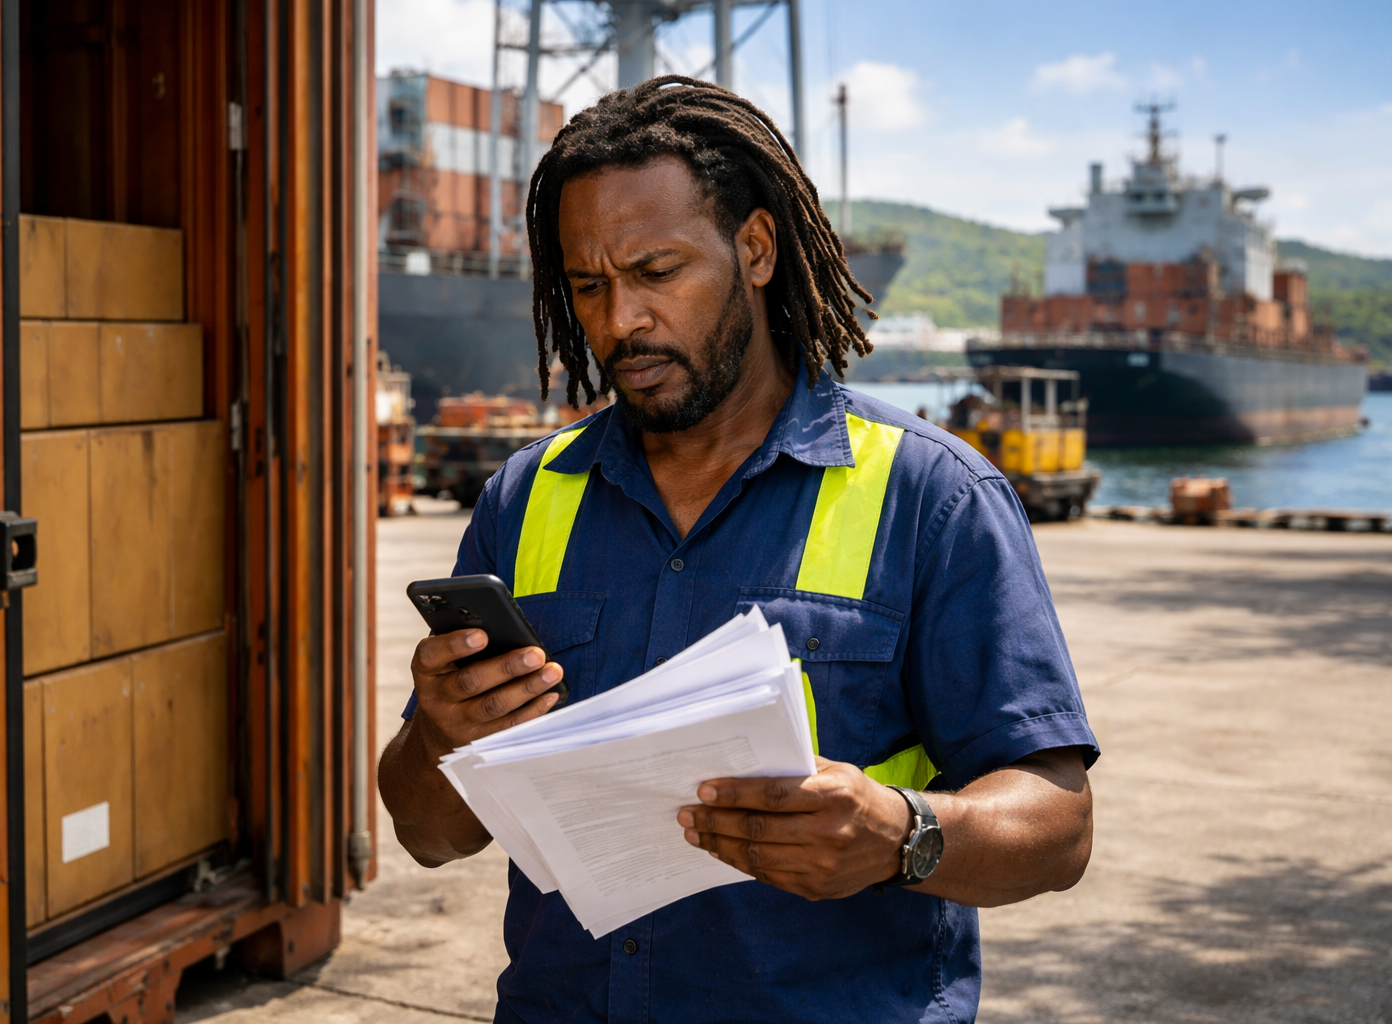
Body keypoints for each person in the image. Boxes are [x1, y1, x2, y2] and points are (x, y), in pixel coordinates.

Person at [379, 77, 1097, 1024]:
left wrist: (905, 835)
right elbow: (429, 838)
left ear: (755, 249)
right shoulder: (526, 498)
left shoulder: (931, 496)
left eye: (657, 271)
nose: (619, 319)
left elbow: (1058, 825)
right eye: (588, 286)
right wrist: (440, 735)